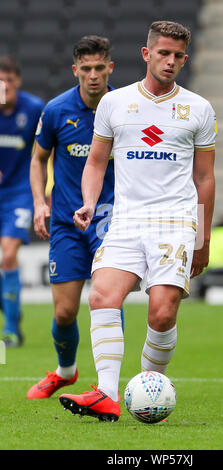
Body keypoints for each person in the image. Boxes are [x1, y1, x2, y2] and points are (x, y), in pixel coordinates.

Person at [59, 20, 217, 422]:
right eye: (163, 53)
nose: (171, 61)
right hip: (127, 219)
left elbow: (204, 177)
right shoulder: (116, 104)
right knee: (102, 296)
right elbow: (96, 162)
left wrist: (203, 238)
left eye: (179, 55)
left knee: (161, 313)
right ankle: (106, 394)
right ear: (146, 54)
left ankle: (148, 389)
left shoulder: (197, 108)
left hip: (176, 221)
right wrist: (90, 203)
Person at [27, 36, 124, 399]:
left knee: (106, 297)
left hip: (110, 221)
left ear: (110, 67)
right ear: (75, 70)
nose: (94, 75)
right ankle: (65, 371)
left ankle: (106, 387)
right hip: (66, 222)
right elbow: (37, 159)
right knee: (65, 311)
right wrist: (40, 203)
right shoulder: (55, 110)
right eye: (86, 69)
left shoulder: (123, 108)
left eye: (100, 68)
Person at [0, 56, 44, 347]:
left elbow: (45, 152)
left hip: (19, 193)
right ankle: (11, 309)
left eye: (9, 82)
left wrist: (45, 191)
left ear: (17, 83)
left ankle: (12, 329)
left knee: (7, 254)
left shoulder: (34, 109)